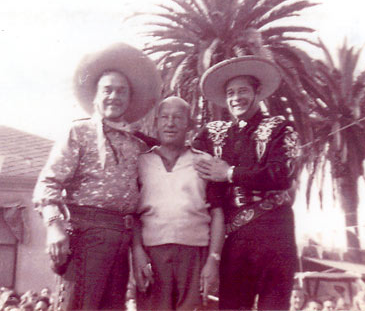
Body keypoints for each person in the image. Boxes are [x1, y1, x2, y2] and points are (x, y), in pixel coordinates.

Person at [33, 43, 161, 310]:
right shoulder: (78, 133)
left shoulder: (137, 146)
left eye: (121, 91)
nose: (114, 96)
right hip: (84, 236)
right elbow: (48, 184)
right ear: (96, 96)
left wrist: (137, 249)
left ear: (129, 98)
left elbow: (137, 207)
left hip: (121, 241)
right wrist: (54, 227)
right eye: (108, 90)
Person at [193, 55, 299, 310]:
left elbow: (281, 174)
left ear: (258, 92)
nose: (236, 98)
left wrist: (230, 173)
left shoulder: (280, 128)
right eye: (230, 92)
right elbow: (180, 152)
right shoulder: (213, 133)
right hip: (234, 241)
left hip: (275, 233)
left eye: (243, 91)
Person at [133, 96, 225, 310]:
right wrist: (137, 252)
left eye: (178, 117)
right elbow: (132, 215)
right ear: (156, 122)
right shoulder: (141, 162)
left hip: (195, 256)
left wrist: (213, 259)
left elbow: (218, 214)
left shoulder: (205, 162)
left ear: (189, 125)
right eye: (164, 117)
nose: (170, 123)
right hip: (152, 255)